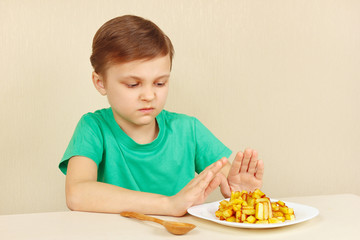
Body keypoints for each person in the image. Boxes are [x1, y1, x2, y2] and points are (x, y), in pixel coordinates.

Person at [59, 15, 264, 217]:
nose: (149, 95)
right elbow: (77, 194)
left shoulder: (188, 130)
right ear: (100, 82)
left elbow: (231, 181)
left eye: (160, 83)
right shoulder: (93, 127)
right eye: (133, 84)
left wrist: (243, 193)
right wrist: (168, 205)